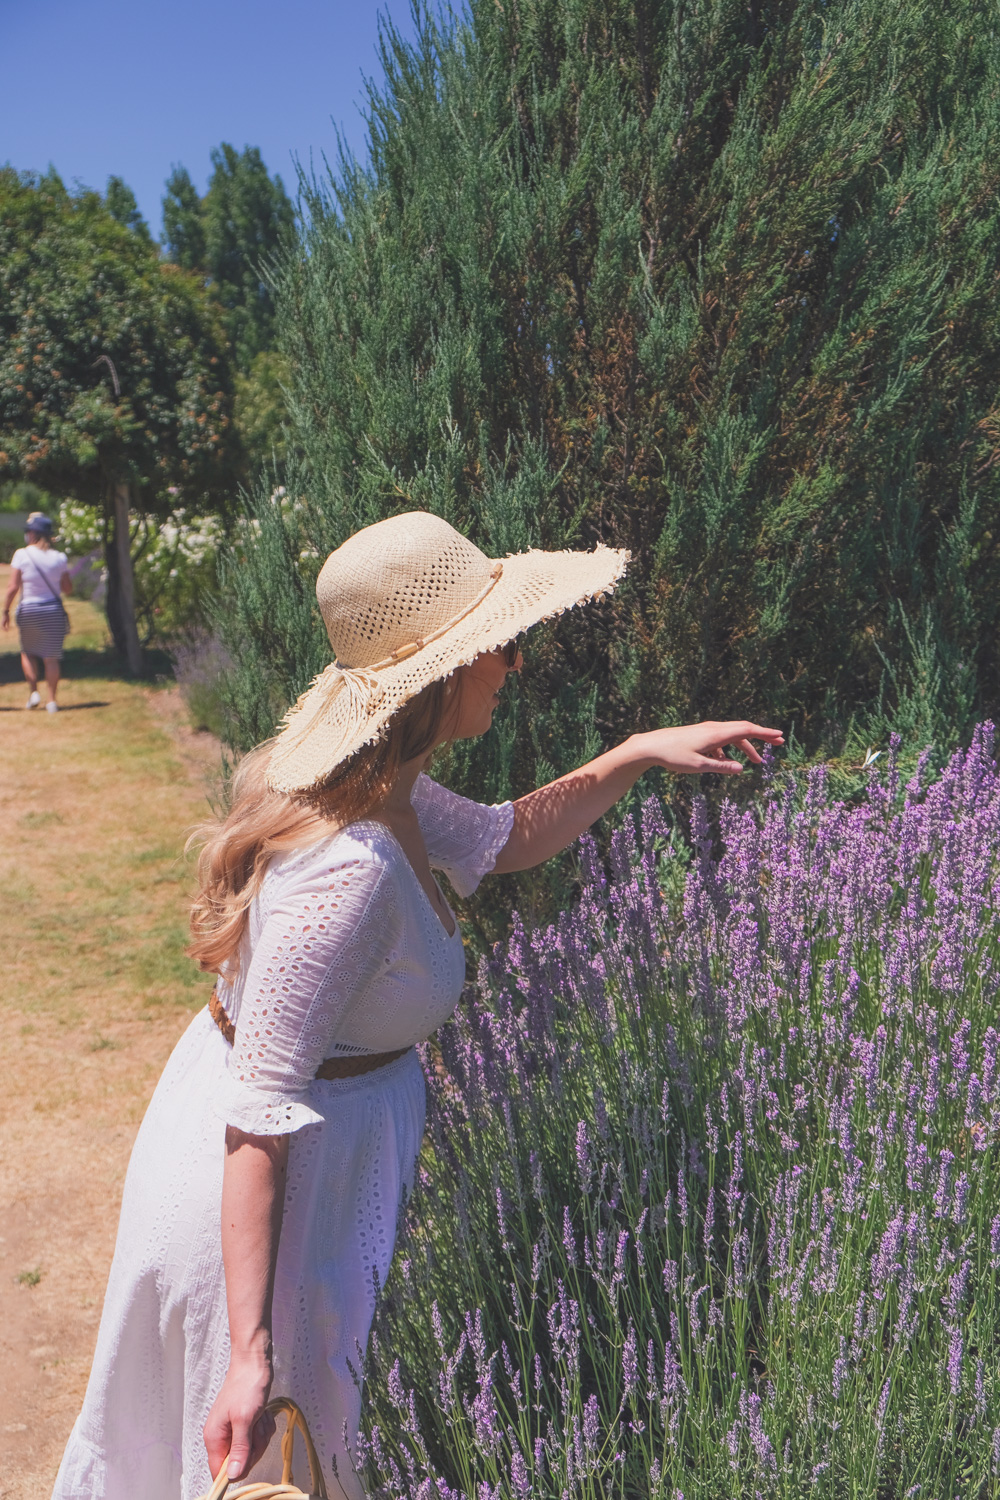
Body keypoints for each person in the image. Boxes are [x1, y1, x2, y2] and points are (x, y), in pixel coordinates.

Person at [52, 511, 783, 1500]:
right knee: (272, 1458)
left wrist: (639, 752)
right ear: (437, 675)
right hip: (282, 1187)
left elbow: (503, 839)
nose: (511, 666)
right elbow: (255, 1121)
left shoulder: (385, 789)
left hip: (329, 1156)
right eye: (497, 646)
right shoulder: (348, 868)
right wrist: (248, 1348)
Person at [2, 511, 71, 712]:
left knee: (28, 652)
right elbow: (67, 588)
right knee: (51, 657)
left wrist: (5, 610)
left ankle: (33, 692)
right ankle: (51, 701)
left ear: (33, 534)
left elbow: (13, 587)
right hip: (52, 610)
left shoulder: (21, 554)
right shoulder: (59, 557)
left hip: (29, 609)